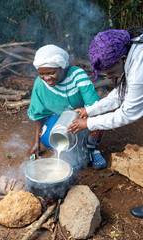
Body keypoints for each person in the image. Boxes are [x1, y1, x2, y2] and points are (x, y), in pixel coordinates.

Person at [67, 27, 143, 217]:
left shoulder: (139, 70)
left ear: (122, 59)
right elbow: (120, 94)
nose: (108, 76)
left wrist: (89, 123)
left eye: (109, 71)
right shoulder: (130, 50)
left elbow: (125, 114)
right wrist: (90, 110)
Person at [27, 44, 107, 171]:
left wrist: (85, 120)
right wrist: (36, 143)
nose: (46, 78)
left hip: (82, 114)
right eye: (42, 74)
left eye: (51, 73)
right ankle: (65, 153)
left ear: (62, 67)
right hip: (58, 118)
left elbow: (94, 106)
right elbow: (38, 114)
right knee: (47, 136)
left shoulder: (77, 75)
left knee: (97, 124)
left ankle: (92, 151)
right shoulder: (39, 84)